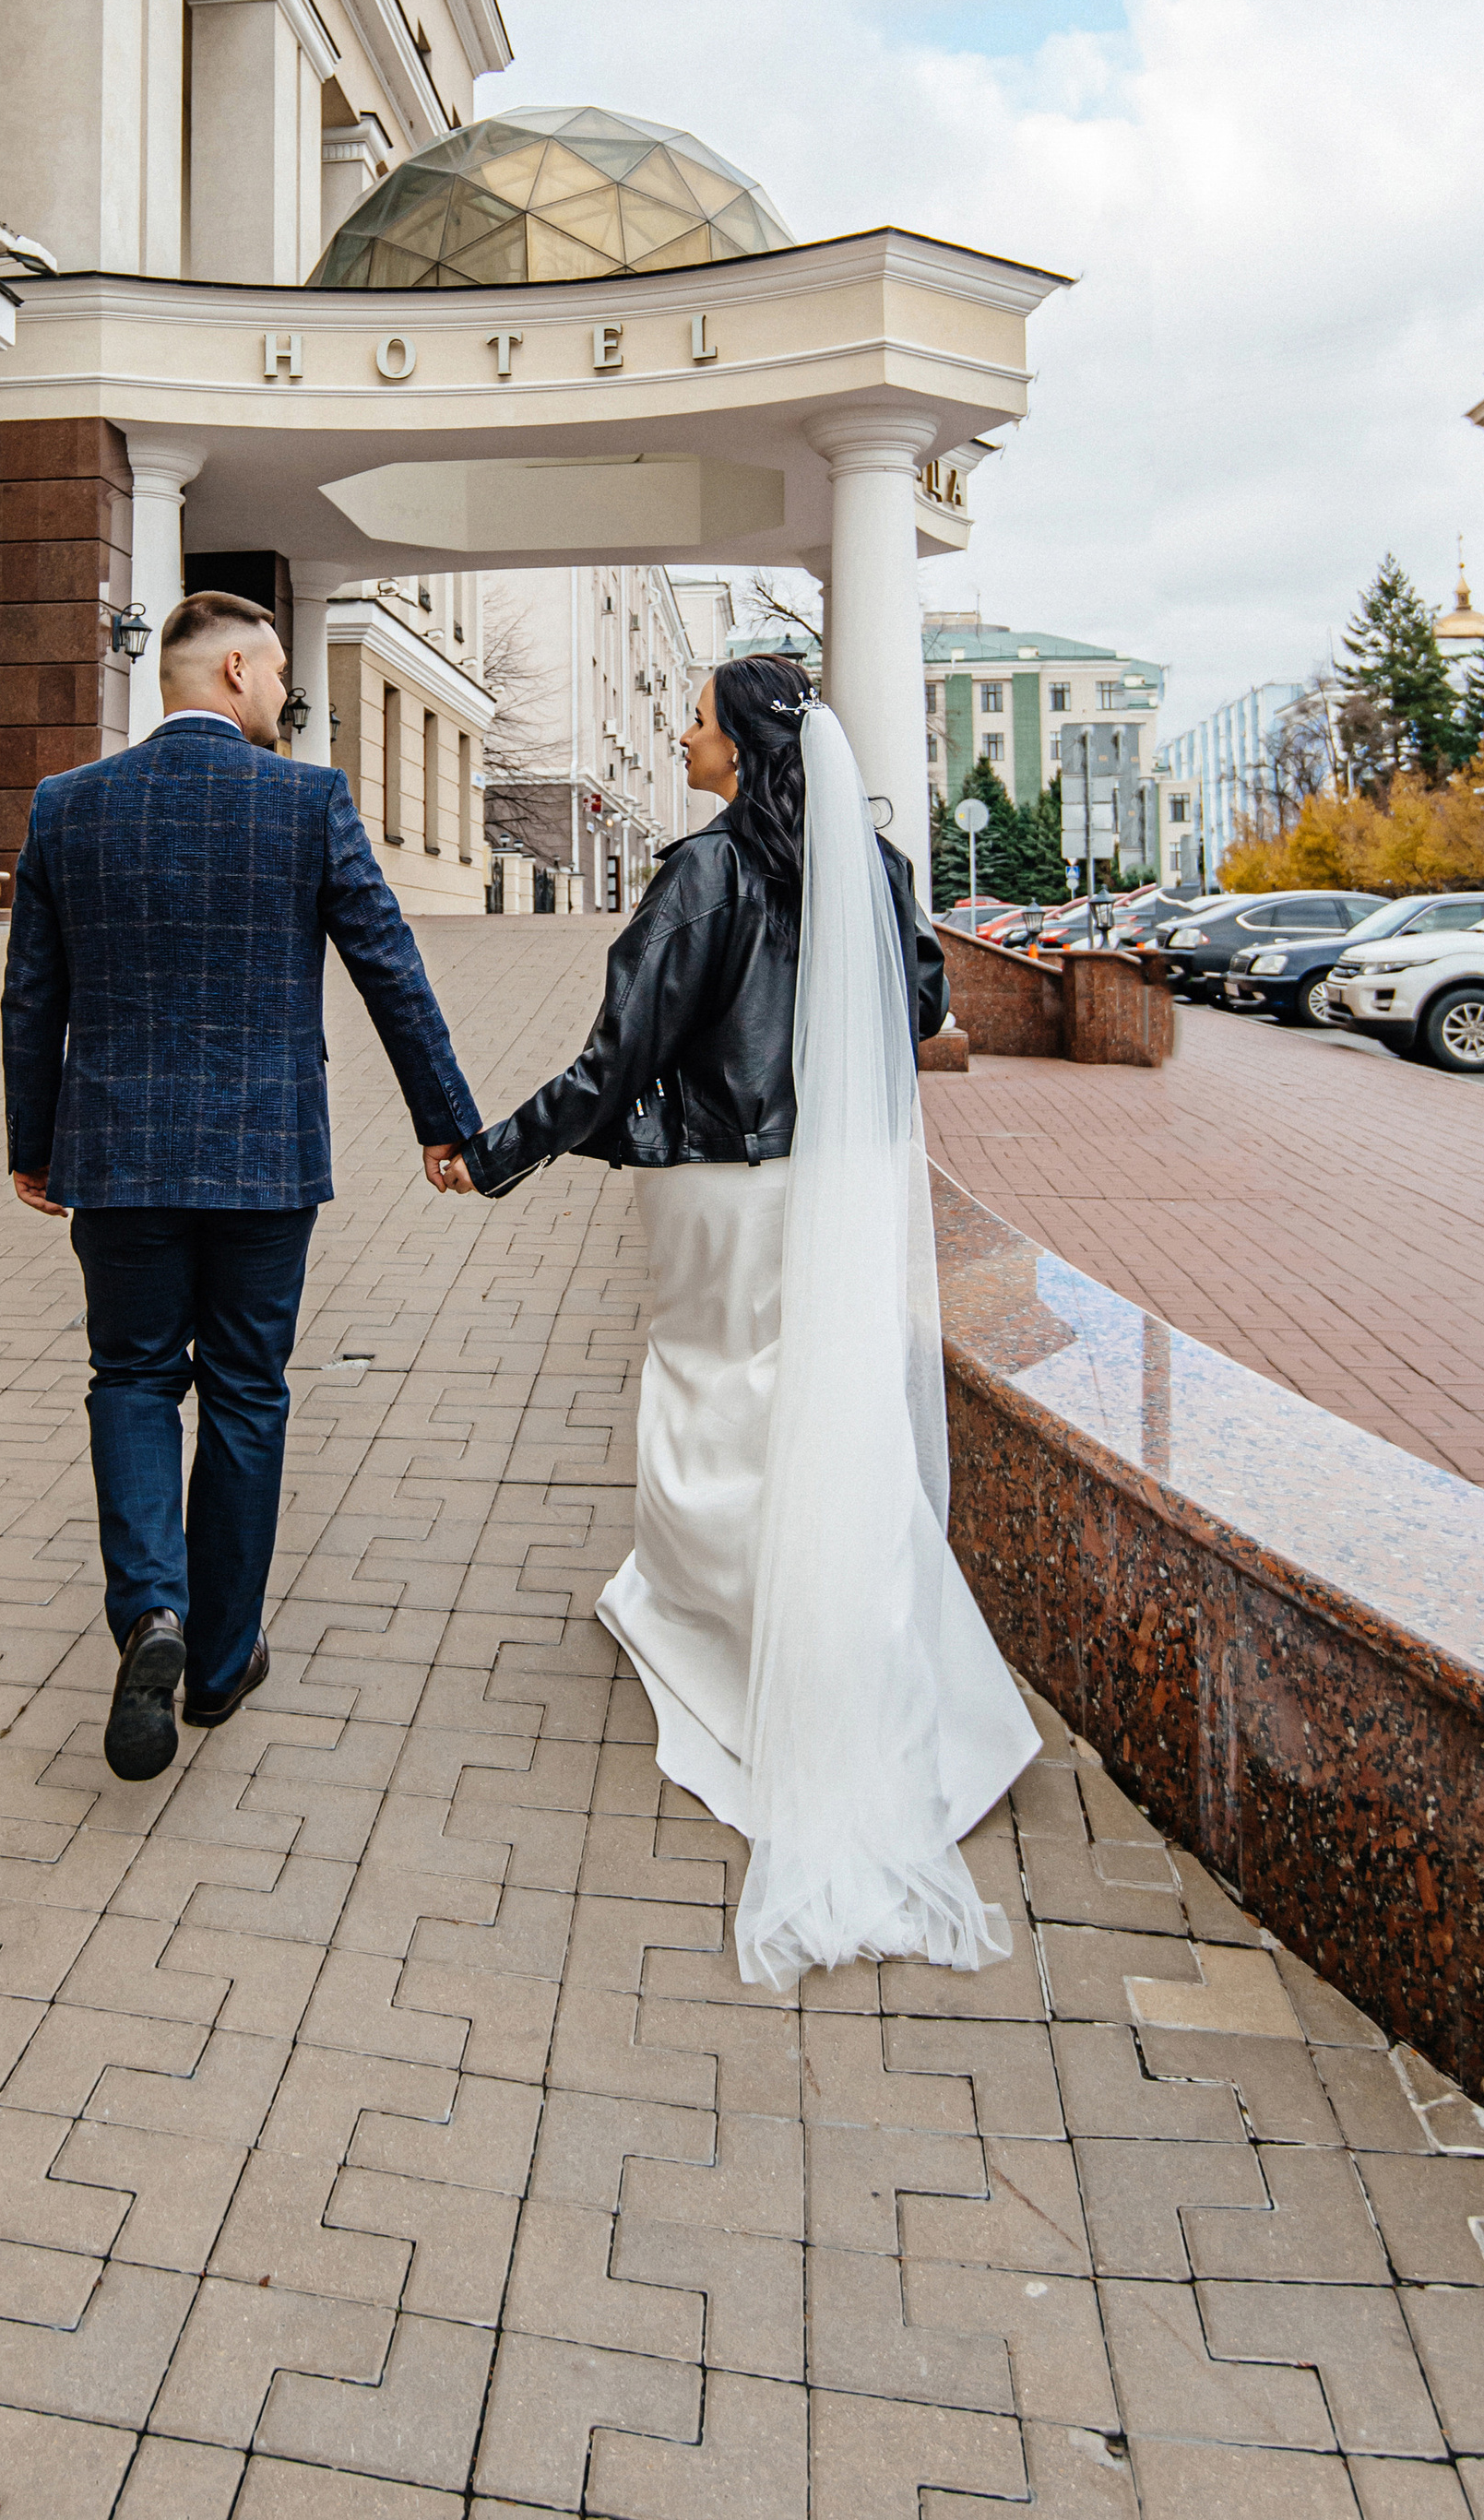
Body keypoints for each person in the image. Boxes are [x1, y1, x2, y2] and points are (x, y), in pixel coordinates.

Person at [446, 653, 1039, 1984]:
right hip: (838, 1184)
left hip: (718, 1187)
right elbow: (927, 1005)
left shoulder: (704, 872)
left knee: (710, 1399)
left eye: (698, 718)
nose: (682, 730)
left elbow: (621, 1054)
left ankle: (719, 1644)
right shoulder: (874, 870)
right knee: (815, 1406)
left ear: (741, 742)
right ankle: (844, 1651)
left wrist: (497, 1151)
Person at [2, 590, 478, 1782]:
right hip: (266, 1159)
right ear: (226, 675)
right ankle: (217, 1664)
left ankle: (150, 1611)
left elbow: (30, 994)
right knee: (249, 1393)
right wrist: (447, 1124)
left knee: (132, 1377)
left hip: (116, 1155)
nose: (282, 697)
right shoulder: (307, 801)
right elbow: (390, 969)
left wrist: (32, 1141)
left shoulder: (68, 806)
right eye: (273, 675)